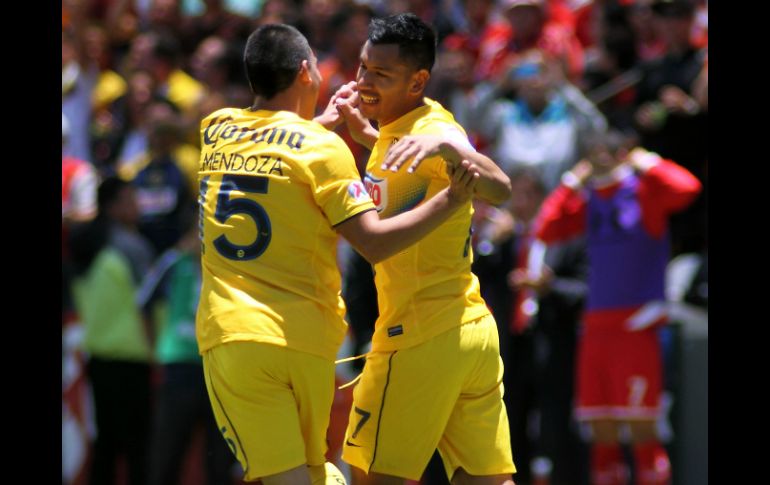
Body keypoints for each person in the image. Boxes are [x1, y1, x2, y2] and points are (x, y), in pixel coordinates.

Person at [196, 23, 482, 485]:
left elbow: (272, 144)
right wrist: (450, 199)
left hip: (236, 336)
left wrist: (321, 125)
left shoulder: (215, 129)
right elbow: (373, 241)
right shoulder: (324, 148)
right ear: (308, 73)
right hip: (309, 343)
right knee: (315, 473)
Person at [327, 13, 516, 485]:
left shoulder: (437, 130)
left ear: (419, 81)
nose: (365, 82)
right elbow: (403, 166)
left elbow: (499, 186)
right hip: (469, 334)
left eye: (381, 75)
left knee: (370, 476)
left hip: (418, 337)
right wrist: (366, 136)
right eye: (364, 67)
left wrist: (449, 150)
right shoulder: (394, 130)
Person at [534, 130, 702, 485]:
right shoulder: (591, 199)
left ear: (624, 155)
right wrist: (569, 182)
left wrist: (649, 162)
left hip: (636, 326)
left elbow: (687, 189)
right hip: (595, 328)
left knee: (643, 429)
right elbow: (546, 228)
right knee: (600, 430)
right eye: (594, 155)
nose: (601, 161)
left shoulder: (643, 193)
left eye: (608, 154)